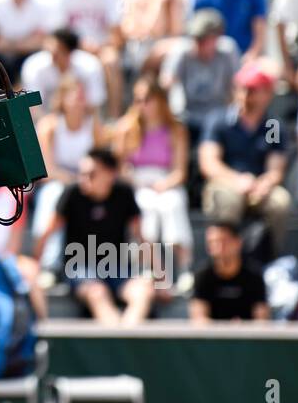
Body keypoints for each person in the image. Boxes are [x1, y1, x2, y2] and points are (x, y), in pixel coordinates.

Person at [37, 149, 156, 325]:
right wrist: (36, 267)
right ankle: (118, 341)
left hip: (117, 267)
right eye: (81, 173)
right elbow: (48, 232)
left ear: (110, 174)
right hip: (78, 266)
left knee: (143, 291)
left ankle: (125, 340)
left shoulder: (124, 193)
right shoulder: (71, 193)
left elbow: (141, 236)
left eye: (91, 174)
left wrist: (162, 276)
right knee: (97, 292)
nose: (83, 179)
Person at [198, 61, 292, 257]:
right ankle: (224, 260)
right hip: (225, 183)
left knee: (280, 202)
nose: (246, 95)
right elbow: (209, 162)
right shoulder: (220, 121)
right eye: (243, 89)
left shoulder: (271, 126)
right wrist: (237, 180)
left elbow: (275, 167)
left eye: (253, 90)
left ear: (267, 93)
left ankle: (271, 259)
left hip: (258, 186)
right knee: (228, 200)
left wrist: (264, 184)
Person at [112, 79, 191, 281]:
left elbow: (179, 171)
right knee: (145, 207)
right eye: (138, 100)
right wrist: (137, 181)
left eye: (147, 99)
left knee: (172, 205)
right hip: (136, 182)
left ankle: (184, 268)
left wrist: (164, 184)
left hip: (166, 181)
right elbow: (120, 167)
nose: (142, 105)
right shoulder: (126, 129)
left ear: (160, 101)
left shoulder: (176, 130)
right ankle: (149, 267)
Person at [42, 0, 125, 113]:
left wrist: (99, 46)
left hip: (102, 48)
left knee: (111, 59)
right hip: (67, 48)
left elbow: (117, 34)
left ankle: (112, 118)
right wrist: (81, 45)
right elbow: (56, 33)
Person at [32, 76, 102, 270]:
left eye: (83, 95)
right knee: (52, 196)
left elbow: (99, 161)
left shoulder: (93, 125)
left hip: (87, 183)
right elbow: (46, 170)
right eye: (76, 95)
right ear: (63, 98)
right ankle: (48, 262)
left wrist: (85, 181)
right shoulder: (49, 125)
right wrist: (74, 181)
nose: (81, 100)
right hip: (58, 183)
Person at [160, 9, 239, 140]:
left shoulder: (228, 51)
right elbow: (165, 82)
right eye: (196, 39)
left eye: (204, 40)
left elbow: (238, 86)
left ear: (217, 38)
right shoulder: (182, 51)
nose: (198, 44)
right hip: (189, 116)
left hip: (220, 115)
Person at [120, 0, 187, 75]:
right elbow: (153, 31)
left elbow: (177, 32)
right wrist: (159, 1)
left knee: (181, 49)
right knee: (178, 49)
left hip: (171, 48)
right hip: (140, 49)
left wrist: (174, 4)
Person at [189, 223, 270, 323]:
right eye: (212, 243)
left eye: (223, 242)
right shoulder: (202, 275)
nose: (218, 248)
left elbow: (262, 319)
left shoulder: (254, 275)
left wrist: (243, 328)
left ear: (238, 242)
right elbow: (198, 318)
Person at [20, 27, 107, 112]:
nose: (53, 54)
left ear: (69, 52)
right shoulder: (34, 66)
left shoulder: (90, 65)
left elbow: (95, 102)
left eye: (58, 51)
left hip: (81, 120)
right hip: (45, 120)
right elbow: (34, 107)